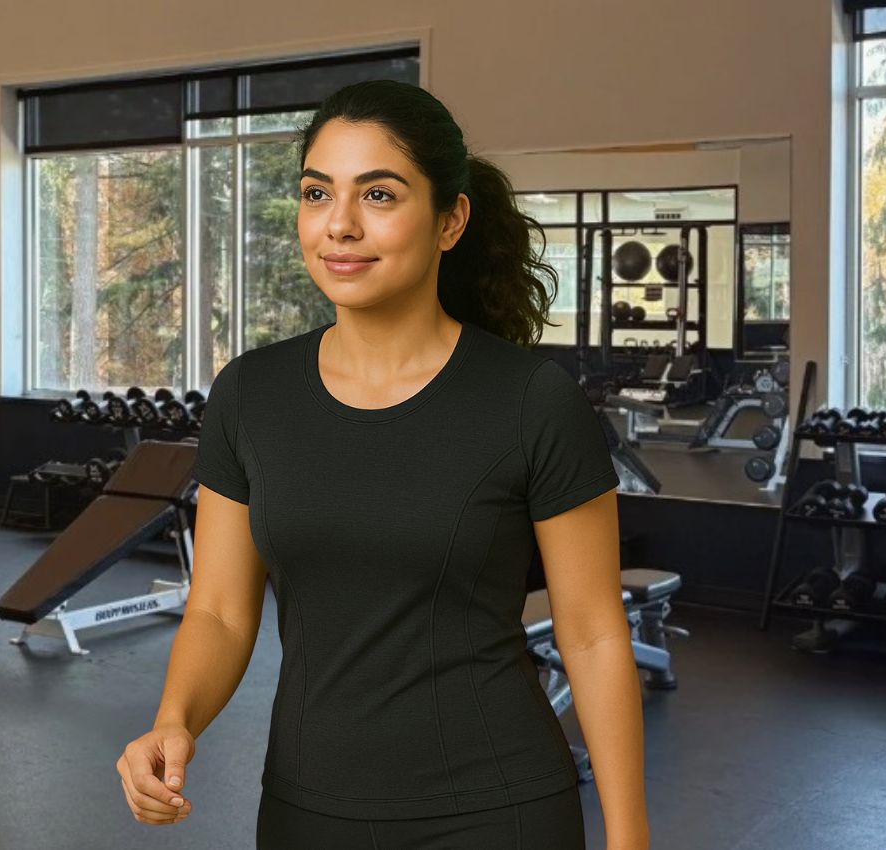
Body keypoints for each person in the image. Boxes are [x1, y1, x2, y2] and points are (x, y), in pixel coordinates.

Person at [115, 81, 649, 850]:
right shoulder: (251, 395)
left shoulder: (533, 401)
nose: (339, 224)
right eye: (317, 193)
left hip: (497, 811)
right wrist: (175, 720)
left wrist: (629, 838)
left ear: (450, 220)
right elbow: (220, 611)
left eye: (378, 194)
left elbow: (593, 634)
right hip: (307, 811)